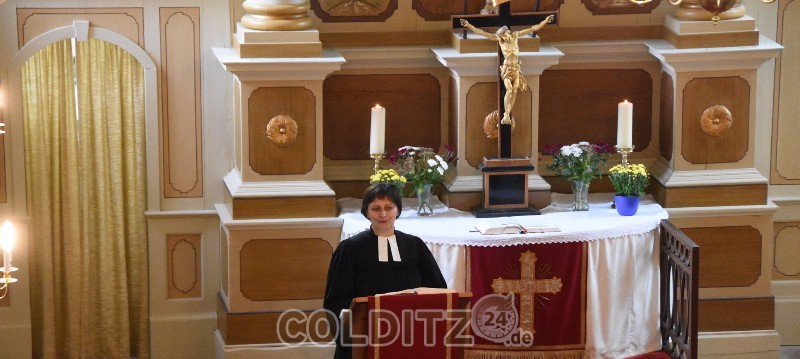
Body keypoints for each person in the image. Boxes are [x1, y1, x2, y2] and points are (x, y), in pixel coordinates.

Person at [323, 183, 448, 359]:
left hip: (411, 334)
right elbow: (336, 299)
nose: (383, 214)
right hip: (365, 337)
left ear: (398, 210)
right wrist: (352, 335)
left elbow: (437, 289)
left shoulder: (414, 245)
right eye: (376, 209)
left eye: (389, 208)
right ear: (366, 212)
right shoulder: (350, 249)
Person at [460, 15, 555, 126]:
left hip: (516, 69)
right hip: (506, 69)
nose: (502, 37)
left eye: (503, 35)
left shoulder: (516, 36)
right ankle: (506, 114)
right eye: (501, 36)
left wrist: (545, 21)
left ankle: (507, 113)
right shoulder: (500, 41)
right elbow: (481, 32)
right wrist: (468, 25)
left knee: (514, 91)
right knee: (509, 90)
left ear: (508, 32)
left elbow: (533, 28)